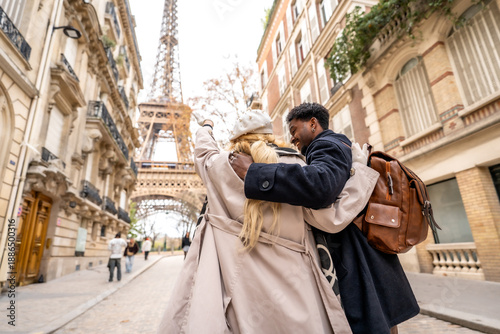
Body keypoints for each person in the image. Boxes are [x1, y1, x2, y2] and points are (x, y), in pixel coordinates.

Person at [158, 109, 379, 333]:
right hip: (296, 287)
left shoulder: (220, 166)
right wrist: (359, 171)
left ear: (236, 138)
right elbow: (332, 219)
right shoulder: (296, 165)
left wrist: (206, 126)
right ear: (269, 135)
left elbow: (204, 151)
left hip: (242, 290)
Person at [230, 103, 419, 334]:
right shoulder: (331, 146)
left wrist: (256, 173)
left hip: (357, 257)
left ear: (312, 123)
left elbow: (320, 186)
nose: (292, 139)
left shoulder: (326, 145)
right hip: (365, 255)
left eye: (294, 130)